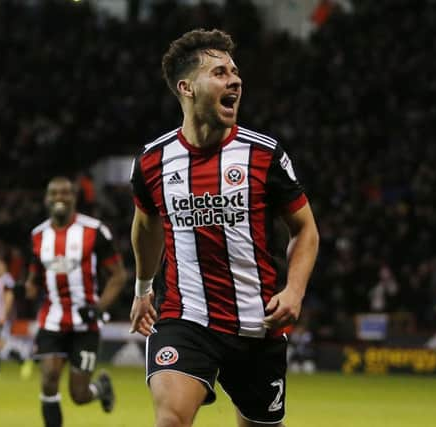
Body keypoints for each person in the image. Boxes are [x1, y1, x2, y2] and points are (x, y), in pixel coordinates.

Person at [129, 29, 319, 427]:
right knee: (171, 421)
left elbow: (305, 230)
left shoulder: (263, 154)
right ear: (187, 87)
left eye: (235, 71)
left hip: (257, 324)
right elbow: (146, 226)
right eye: (219, 72)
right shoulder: (152, 162)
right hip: (185, 317)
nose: (235, 79)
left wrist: (295, 291)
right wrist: (144, 288)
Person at [25, 176, 128, 427]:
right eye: (54, 193)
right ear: (46, 199)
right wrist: (27, 287)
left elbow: (118, 275)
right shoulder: (38, 235)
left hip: (85, 324)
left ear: (74, 198)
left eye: (65, 193)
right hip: (52, 320)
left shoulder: (94, 231)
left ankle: (100, 388)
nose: (59, 198)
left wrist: (99, 308)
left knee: (79, 395)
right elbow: (34, 276)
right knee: (49, 378)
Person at [0, 254, 34, 381]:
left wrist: (4, 315)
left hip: (3, 317)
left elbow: (9, 297)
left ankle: (24, 361)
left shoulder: (6, 280)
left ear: (3, 266)